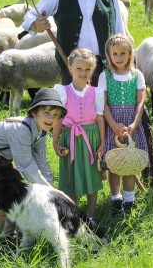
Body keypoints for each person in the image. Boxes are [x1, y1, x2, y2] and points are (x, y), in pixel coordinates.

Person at [22, 0, 153, 186]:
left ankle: (148, 169)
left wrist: (127, 65)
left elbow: (120, 33)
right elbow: (30, 15)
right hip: (73, 69)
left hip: (106, 67)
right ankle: (81, 177)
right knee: (75, 119)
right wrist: (36, 25)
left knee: (125, 113)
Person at [0, 88, 66, 250]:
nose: (51, 118)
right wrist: (50, 191)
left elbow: (41, 162)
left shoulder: (41, 132)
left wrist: (50, 191)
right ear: (34, 112)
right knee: (3, 199)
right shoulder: (21, 130)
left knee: (19, 194)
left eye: (56, 115)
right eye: (47, 112)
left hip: (3, 158)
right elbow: (26, 166)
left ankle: (9, 236)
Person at [52, 48, 105, 232]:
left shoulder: (96, 92)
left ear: (93, 70)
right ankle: (72, 217)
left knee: (92, 177)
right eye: (79, 68)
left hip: (91, 137)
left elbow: (99, 118)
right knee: (71, 179)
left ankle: (91, 217)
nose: (83, 73)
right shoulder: (62, 91)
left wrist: (103, 142)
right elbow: (59, 119)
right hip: (70, 138)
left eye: (87, 69)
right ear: (70, 68)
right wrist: (55, 141)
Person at [98, 34, 147, 215]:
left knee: (130, 164)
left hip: (131, 122)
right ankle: (116, 199)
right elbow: (102, 104)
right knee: (114, 163)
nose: (119, 57)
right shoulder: (105, 76)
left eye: (123, 53)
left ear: (130, 54)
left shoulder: (137, 75)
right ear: (109, 55)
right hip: (113, 123)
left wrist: (135, 123)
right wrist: (112, 125)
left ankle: (129, 200)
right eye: (115, 54)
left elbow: (141, 101)